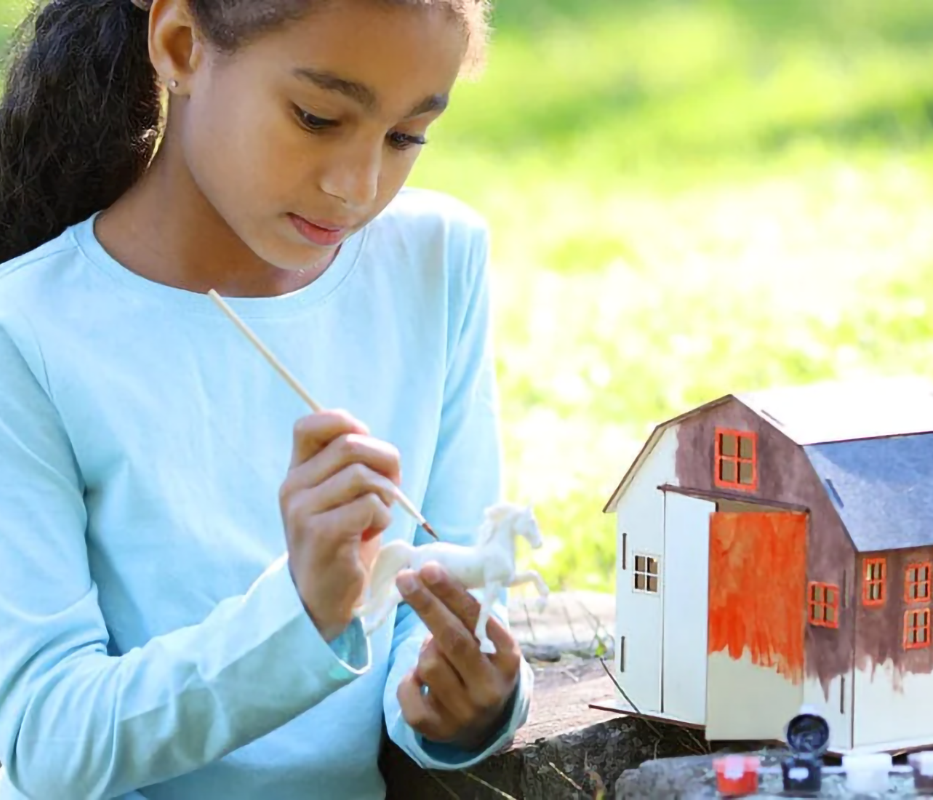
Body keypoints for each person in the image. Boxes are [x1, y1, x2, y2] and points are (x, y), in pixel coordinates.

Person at [0, 0, 535, 797]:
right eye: (317, 117)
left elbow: (444, 601)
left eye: (405, 136)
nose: (357, 187)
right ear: (181, 46)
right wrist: (299, 614)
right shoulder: (28, 328)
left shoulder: (437, 262)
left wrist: (465, 703)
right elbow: (43, 741)